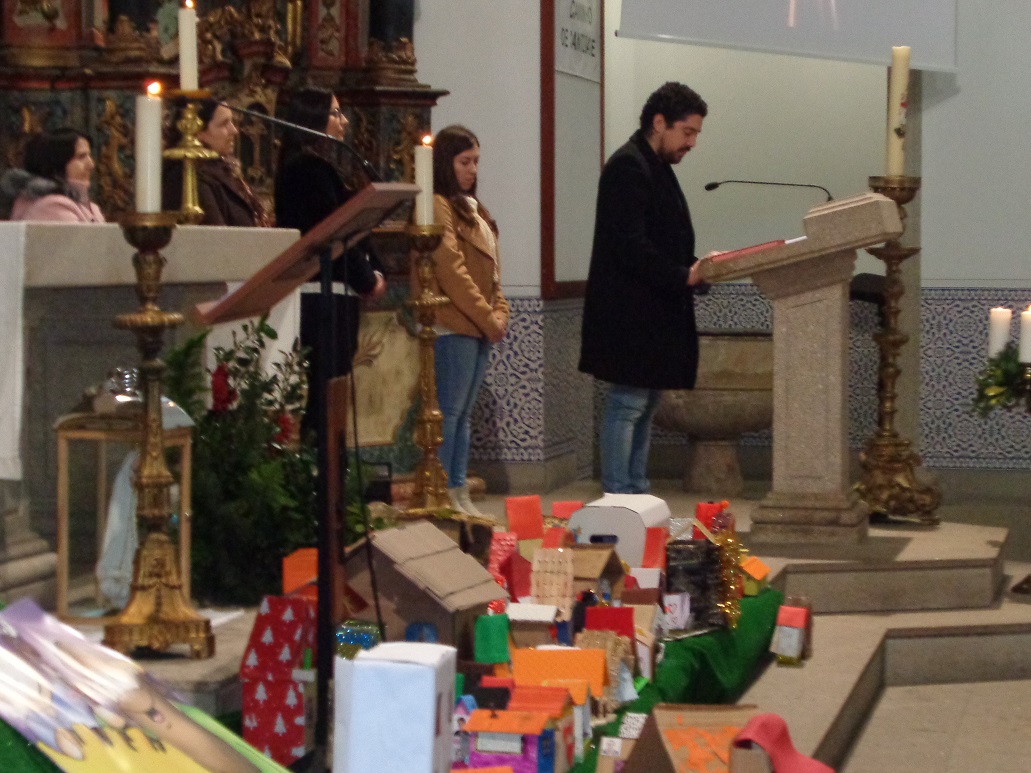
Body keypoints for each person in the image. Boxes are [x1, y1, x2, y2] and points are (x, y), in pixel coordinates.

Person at [579, 81, 708, 495]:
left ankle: (636, 487)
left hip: (651, 309)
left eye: (695, 134)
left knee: (646, 403)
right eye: (687, 132)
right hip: (629, 312)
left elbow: (664, 237)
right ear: (659, 122)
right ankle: (620, 492)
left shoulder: (656, 166)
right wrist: (682, 275)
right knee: (628, 403)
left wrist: (698, 266)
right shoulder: (628, 167)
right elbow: (630, 244)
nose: (692, 143)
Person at [273, 86, 386, 431]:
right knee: (323, 396)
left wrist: (375, 270)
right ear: (313, 119)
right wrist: (367, 278)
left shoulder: (321, 168)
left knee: (334, 391)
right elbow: (332, 234)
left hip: (336, 294)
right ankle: (322, 461)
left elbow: (353, 226)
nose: (344, 121)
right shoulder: (305, 170)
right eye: (335, 113)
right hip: (322, 296)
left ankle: (332, 460)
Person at [413, 125, 509, 516]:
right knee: (449, 413)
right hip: (454, 323)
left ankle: (458, 490)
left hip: (478, 324)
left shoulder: (473, 209)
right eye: (464, 162)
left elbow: (492, 272)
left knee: (463, 414)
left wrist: (500, 312)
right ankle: (446, 490)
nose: (472, 170)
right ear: (445, 163)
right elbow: (452, 272)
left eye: (476, 162)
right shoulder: (438, 205)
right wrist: (489, 318)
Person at [162, 98, 272, 227]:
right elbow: (215, 234)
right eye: (224, 124)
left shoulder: (220, 168)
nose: (234, 130)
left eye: (232, 122)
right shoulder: (190, 177)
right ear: (197, 132)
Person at [1, 128, 105, 222]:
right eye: (81, 157)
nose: (91, 165)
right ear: (58, 162)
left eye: (89, 155)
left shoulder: (91, 207)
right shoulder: (53, 206)